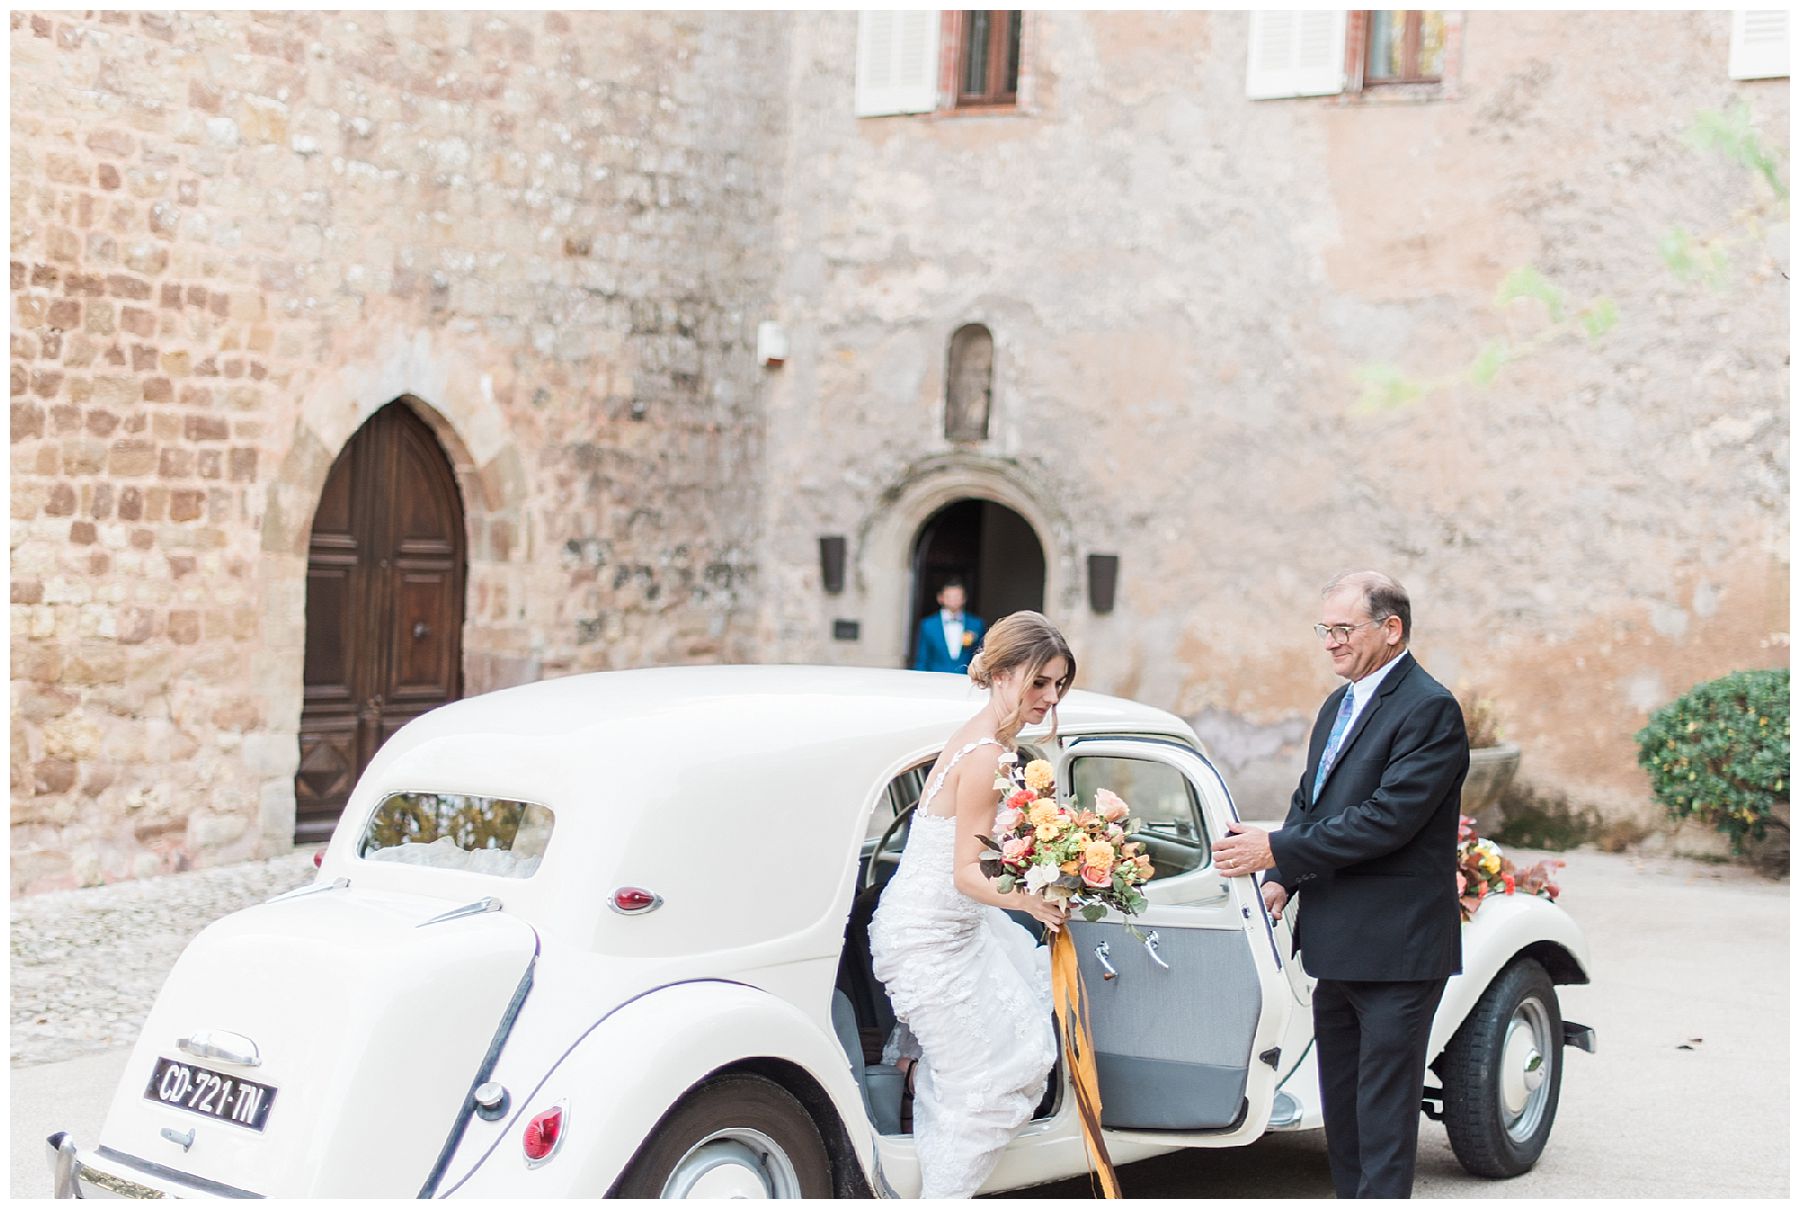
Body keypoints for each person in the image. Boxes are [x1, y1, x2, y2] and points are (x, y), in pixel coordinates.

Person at [1211, 571, 1468, 1200]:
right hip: (1337, 945)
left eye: (1342, 629)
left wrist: (1276, 846)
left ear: (1391, 629)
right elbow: (1310, 802)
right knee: (1345, 1114)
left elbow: (1387, 819)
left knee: (1382, 1115)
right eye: (1324, 629)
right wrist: (1280, 881)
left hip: (1396, 952)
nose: (1329, 642)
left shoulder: (1430, 708)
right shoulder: (1338, 704)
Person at [869, 611, 1075, 1198]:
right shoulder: (988, 755)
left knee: (1009, 1049)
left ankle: (922, 1145)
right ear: (1004, 673)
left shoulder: (986, 737)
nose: (1049, 696)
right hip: (930, 935)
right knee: (1002, 1073)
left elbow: (982, 856)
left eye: (1057, 684)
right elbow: (965, 874)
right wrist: (1035, 902)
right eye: (1039, 682)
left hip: (957, 926)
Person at [911, 580, 986, 674]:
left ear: (964, 598)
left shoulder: (976, 624)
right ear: (940, 598)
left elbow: (982, 657)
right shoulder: (928, 625)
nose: (953, 600)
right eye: (949, 596)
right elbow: (921, 659)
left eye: (957, 596)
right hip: (935, 680)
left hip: (966, 680)